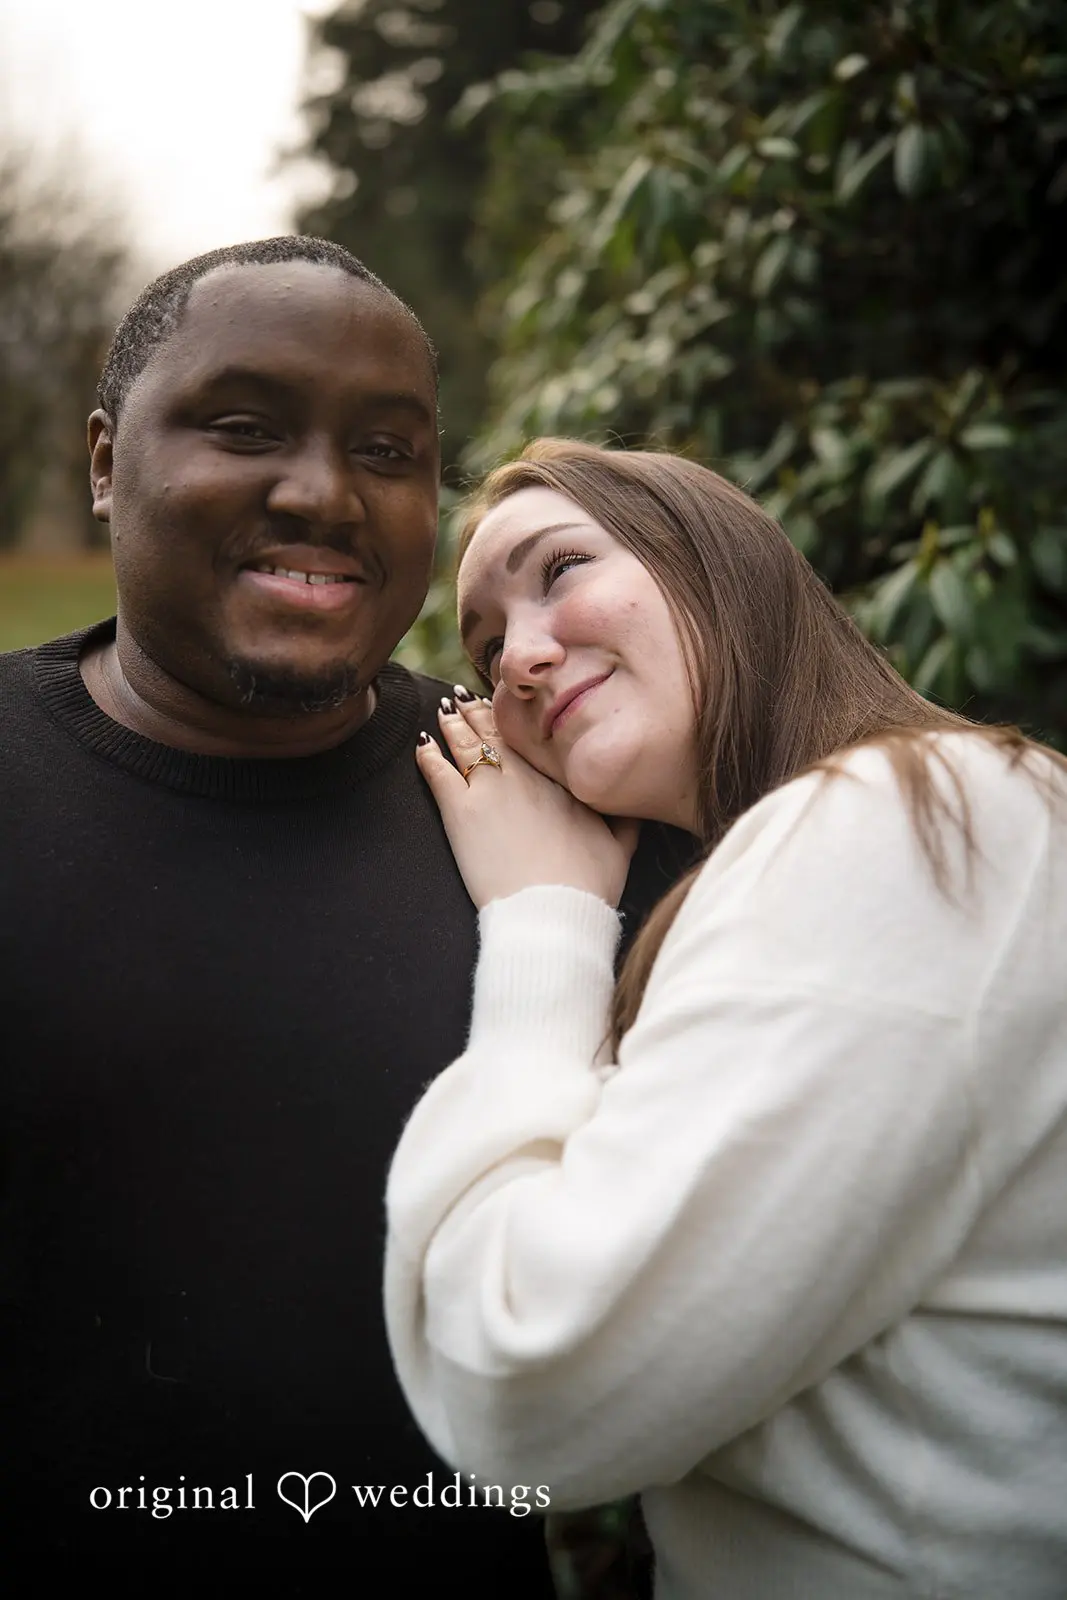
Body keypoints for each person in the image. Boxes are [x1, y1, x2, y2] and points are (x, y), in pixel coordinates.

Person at [0, 243, 684, 1594]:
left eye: (386, 450)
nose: (323, 493)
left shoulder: (549, 809)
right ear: (105, 461)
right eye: (244, 427)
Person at [385, 438, 1067, 1599]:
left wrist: (543, 920)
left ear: (712, 557)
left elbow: (525, 1387)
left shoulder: (902, 821)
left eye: (560, 569)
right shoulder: (935, 819)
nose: (520, 661)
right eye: (486, 647)